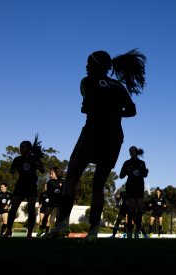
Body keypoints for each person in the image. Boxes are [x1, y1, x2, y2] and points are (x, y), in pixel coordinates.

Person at [48, 49, 146, 242]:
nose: (85, 66)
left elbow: (87, 105)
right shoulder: (118, 86)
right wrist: (115, 113)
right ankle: (93, 232)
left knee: (71, 178)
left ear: (96, 65)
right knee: (98, 185)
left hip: (92, 133)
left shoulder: (87, 82)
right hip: (114, 137)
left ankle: (62, 225)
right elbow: (132, 111)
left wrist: (96, 110)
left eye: (88, 63)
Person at [3, 136, 45, 239]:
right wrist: (15, 166)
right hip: (20, 187)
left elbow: (43, 170)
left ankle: (29, 233)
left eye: (23, 147)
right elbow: (12, 171)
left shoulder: (34, 158)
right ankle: (8, 230)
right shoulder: (17, 159)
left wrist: (37, 164)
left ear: (28, 148)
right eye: (20, 147)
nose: (20, 149)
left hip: (31, 187)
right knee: (13, 209)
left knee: (31, 211)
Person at [120, 146, 148, 239]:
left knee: (140, 210)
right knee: (130, 210)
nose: (131, 152)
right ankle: (129, 232)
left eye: (133, 150)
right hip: (130, 188)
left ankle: (137, 232)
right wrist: (126, 170)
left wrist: (146, 172)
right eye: (130, 151)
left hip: (139, 188)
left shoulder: (141, 163)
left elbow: (144, 175)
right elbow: (121, 176)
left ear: (136, 152)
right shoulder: (127, 163)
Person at [38, 167, 64, 237]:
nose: (50, 175)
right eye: (50, 174)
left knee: (58, 217)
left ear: (56, 173)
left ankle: (56, 231)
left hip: (59, 203)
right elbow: (49, 193)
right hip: (51, 202)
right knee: (45, 216)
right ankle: (41, 229)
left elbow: (64, 193)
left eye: (51, 173)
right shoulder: (49, 182)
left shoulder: (62, 181)